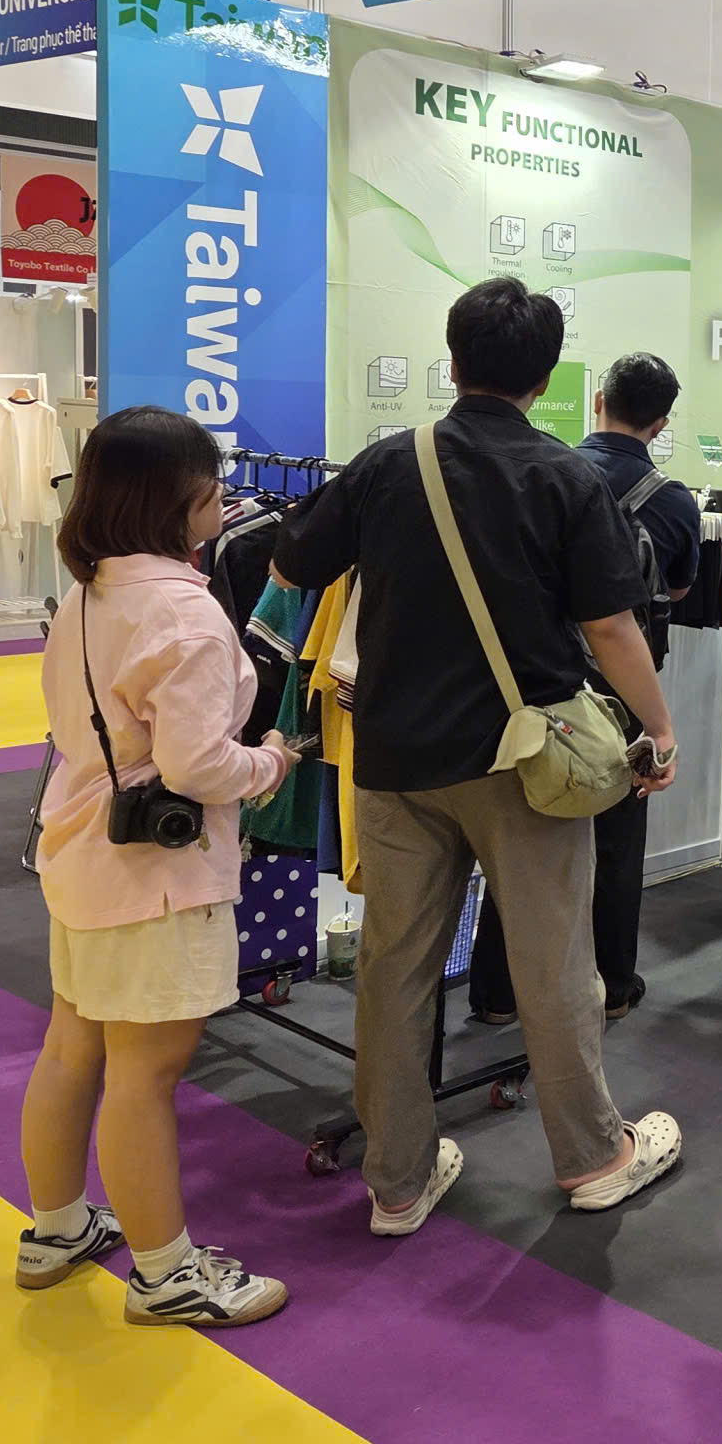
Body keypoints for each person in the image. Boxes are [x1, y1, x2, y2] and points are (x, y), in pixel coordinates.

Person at [275, 278, 684, 1235]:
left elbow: (291, 564)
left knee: (395, 970)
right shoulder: (566, 478)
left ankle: (396, 1181)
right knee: (555, 967)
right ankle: (594, 1158)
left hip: (395, 758)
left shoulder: (387, 463)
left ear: (452, 359)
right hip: (523, 760)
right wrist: (658, 731)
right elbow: (612, 628)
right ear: (547, 378)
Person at [16, 405, 298, 1327]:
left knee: (73, 1047)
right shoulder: (185, 610)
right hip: (156, 875)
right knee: (145, 1073)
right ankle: (165, 1273)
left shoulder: (90, 592)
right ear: (180, 496)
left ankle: (56, 1228)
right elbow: (198, 765)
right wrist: (270, 765)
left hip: (83, 845)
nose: (222, 498)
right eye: (211, 485)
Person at [469, 353, 699, 1028]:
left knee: (521, 840)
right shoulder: (673, 501)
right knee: (618, 845)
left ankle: (497, 995)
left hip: (536, 684)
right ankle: (613, 985)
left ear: (599, 399)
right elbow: (676, 590)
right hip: (623, 693)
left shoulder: (544, 472)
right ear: (661, 424)